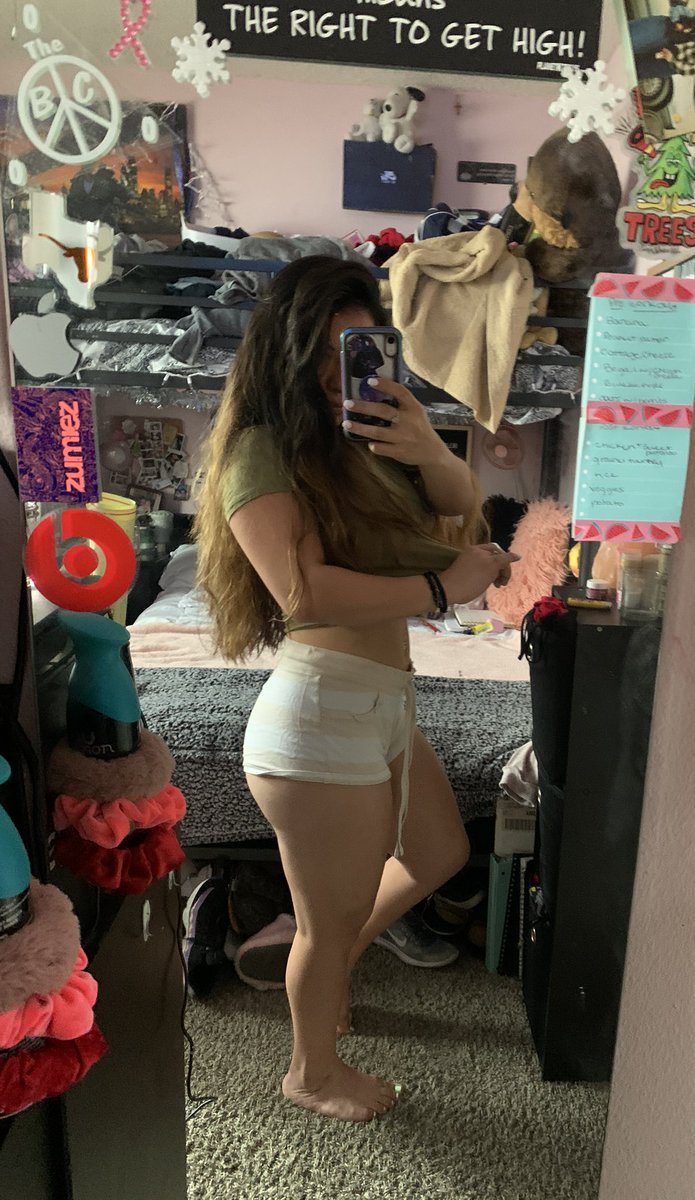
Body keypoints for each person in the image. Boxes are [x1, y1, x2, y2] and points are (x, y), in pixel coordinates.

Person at [193, 255, 518, 1123]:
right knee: (326, 922)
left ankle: (326, 958)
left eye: (362, 346)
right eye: (329, 348)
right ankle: (311, 1071)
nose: (346, 369)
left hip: (381, 704)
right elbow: (302, 594)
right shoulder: (261, 451)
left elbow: (461, 503)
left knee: (439, 853)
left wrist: (424, 443)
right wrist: (443, 590)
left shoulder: (362, 440)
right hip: (321, 713)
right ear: (289, 349)